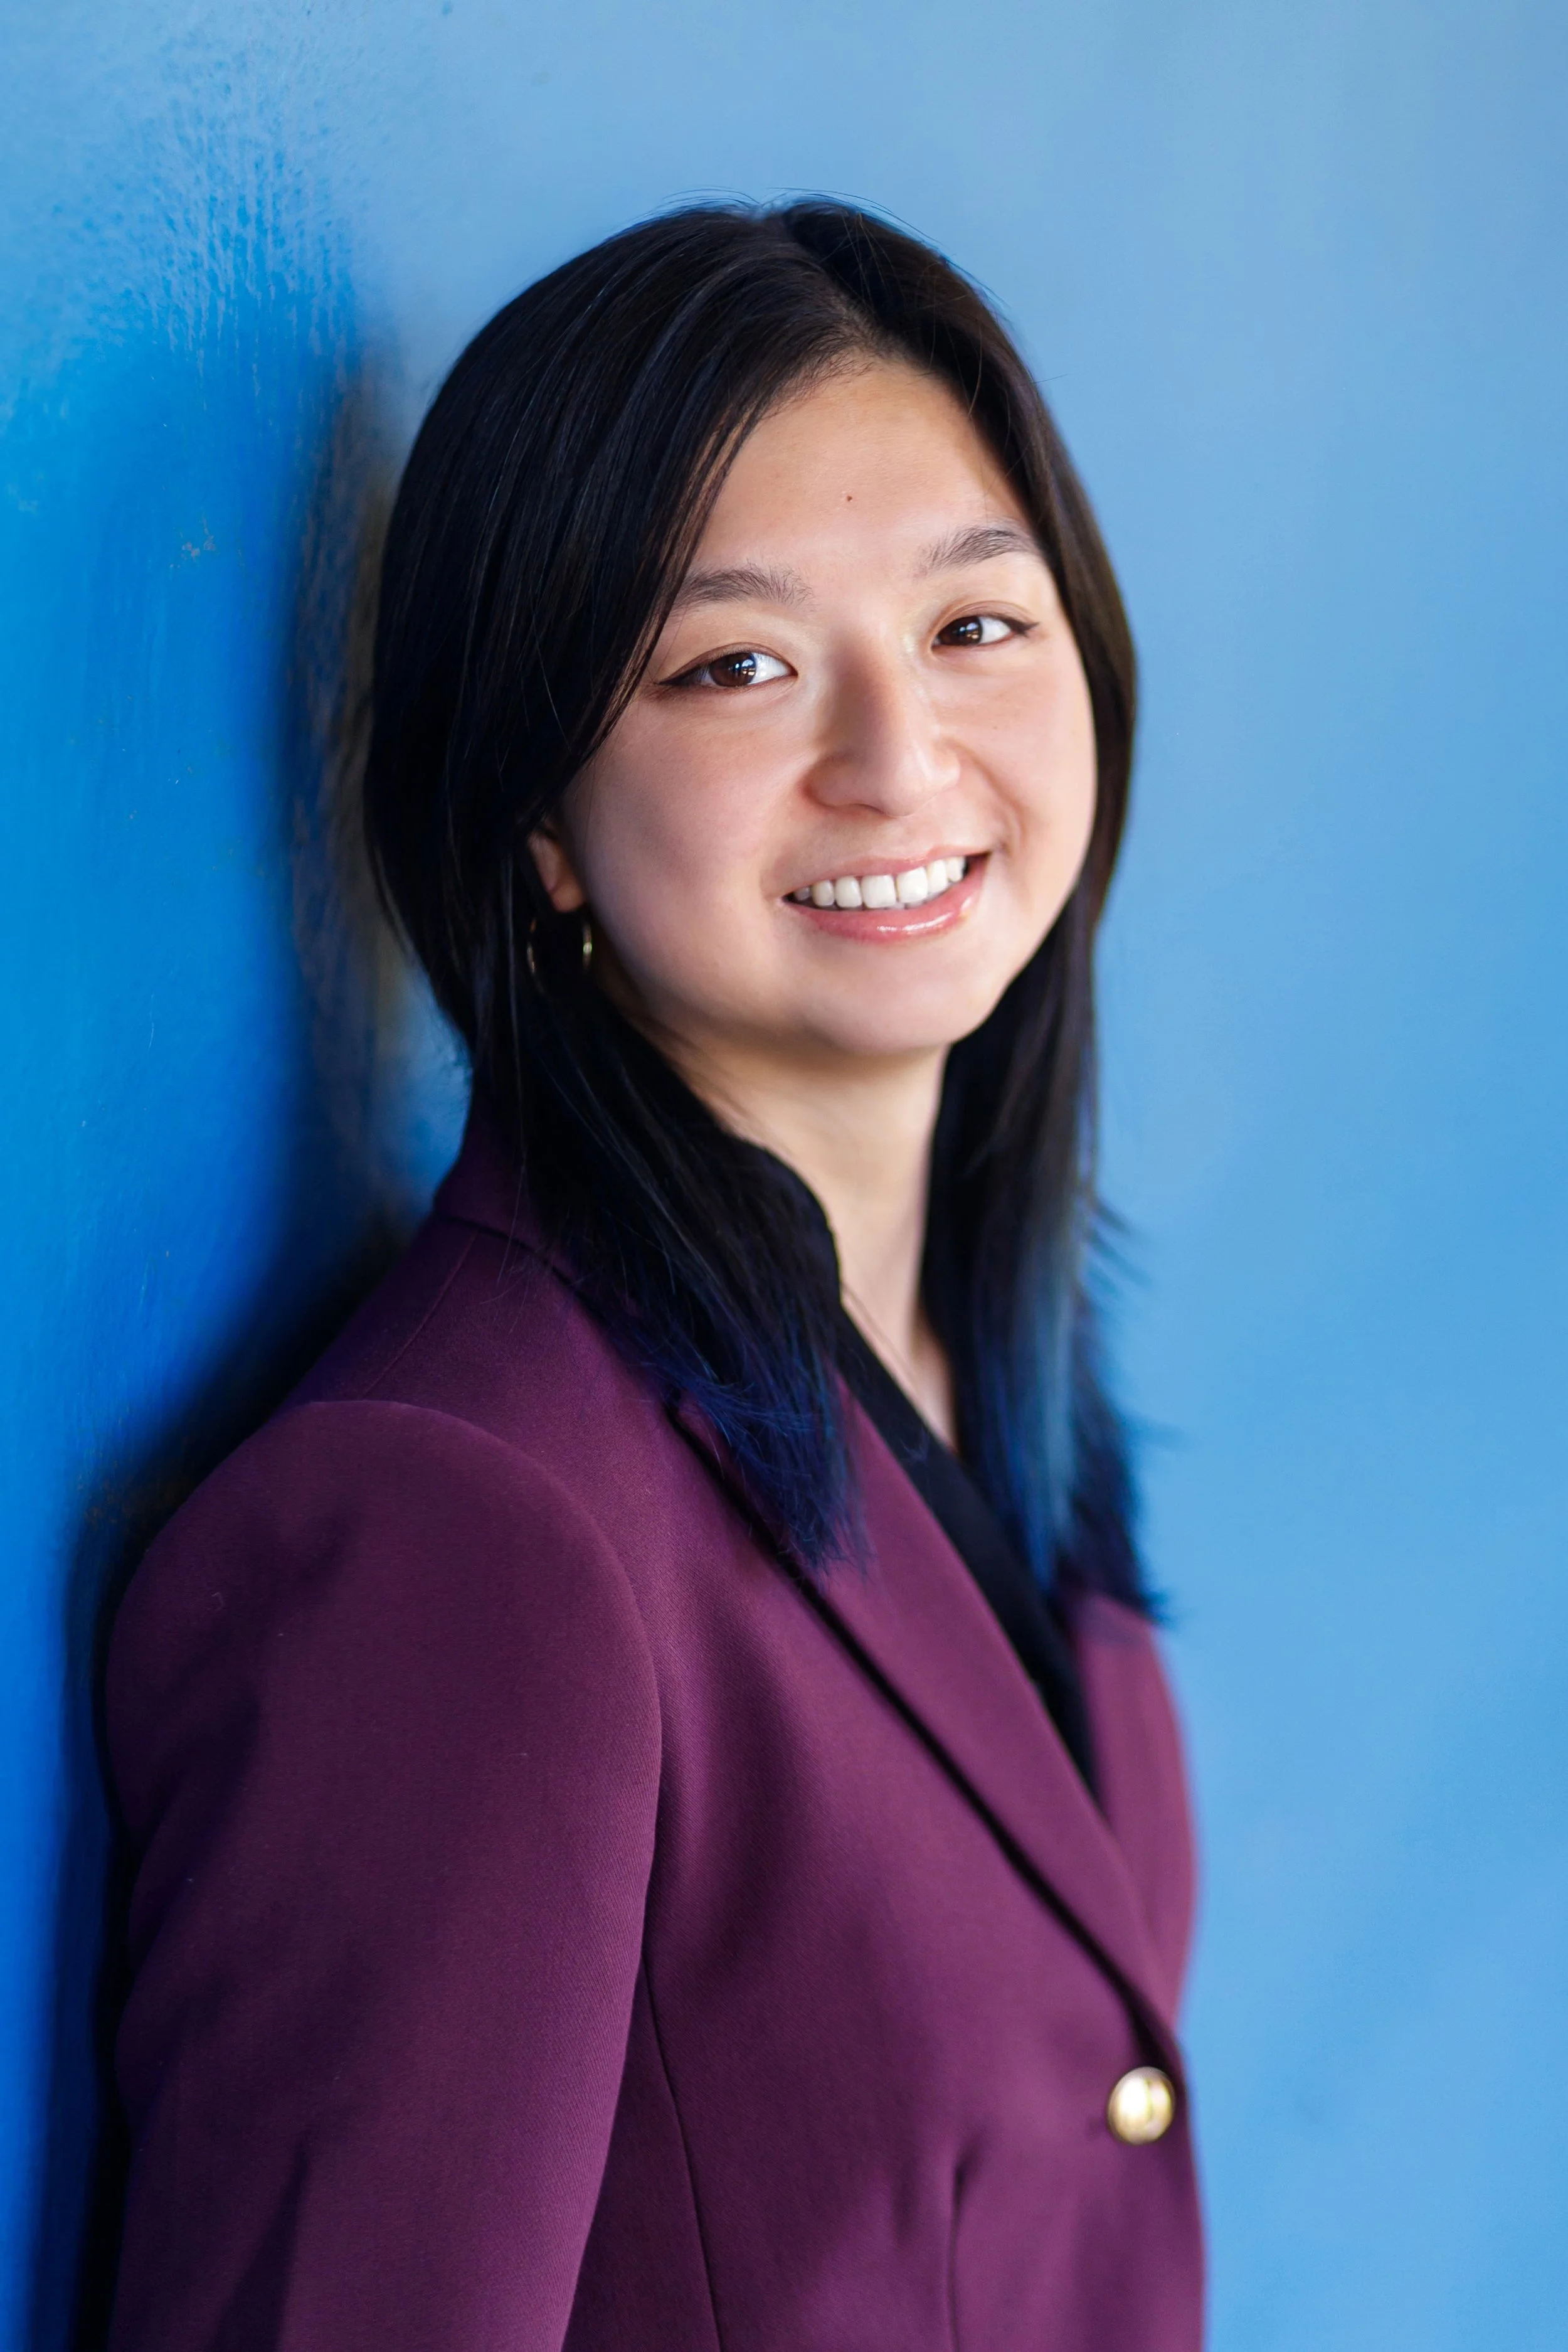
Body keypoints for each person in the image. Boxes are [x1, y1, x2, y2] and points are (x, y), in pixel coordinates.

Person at [104, 203, 1201, 2351]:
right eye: (737, 664)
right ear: (537, 823)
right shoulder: (463, 1525)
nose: (898, 757)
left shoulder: (980, 1337)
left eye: (976, 623)